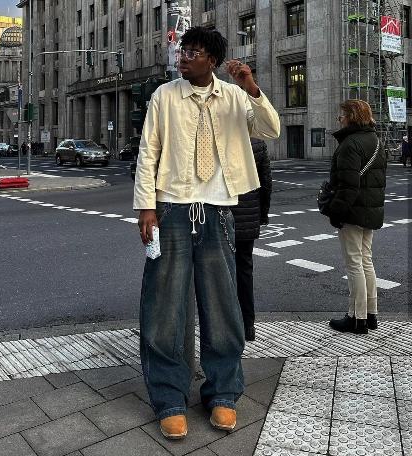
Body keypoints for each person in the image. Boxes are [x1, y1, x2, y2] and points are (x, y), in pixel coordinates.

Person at [134, 26, 280, 439]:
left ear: (212, 60)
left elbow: (270, 129)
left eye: (194, 52)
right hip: (172, 208)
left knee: (222, 307)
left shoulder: (234, 97)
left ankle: (222, 393)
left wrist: (251, 87)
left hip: (219, 211)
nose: (184, 58)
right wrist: (146, 206)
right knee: (166, 308)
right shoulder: (165, 96)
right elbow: (149, 151)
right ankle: (169, 396)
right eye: (184, 51)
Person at [326, 100, 386, 334]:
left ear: (351, 116)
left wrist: (335, 211)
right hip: (370, 210)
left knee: (354, 264)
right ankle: (371, 315)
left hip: (352, 211)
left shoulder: (350, 144)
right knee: (366, 260)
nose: (339, 119)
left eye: (341, 115)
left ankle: (356, 318)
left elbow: (348, 186)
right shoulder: (376, 141)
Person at [231, 138, 272, 342]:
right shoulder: (257, 145)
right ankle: (248, 326)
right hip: (249, 214)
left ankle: (227, 323)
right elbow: (266, 184)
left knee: (221, 272)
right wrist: (262, 215)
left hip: (223, 214)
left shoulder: (219, 138)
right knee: (245, 269)